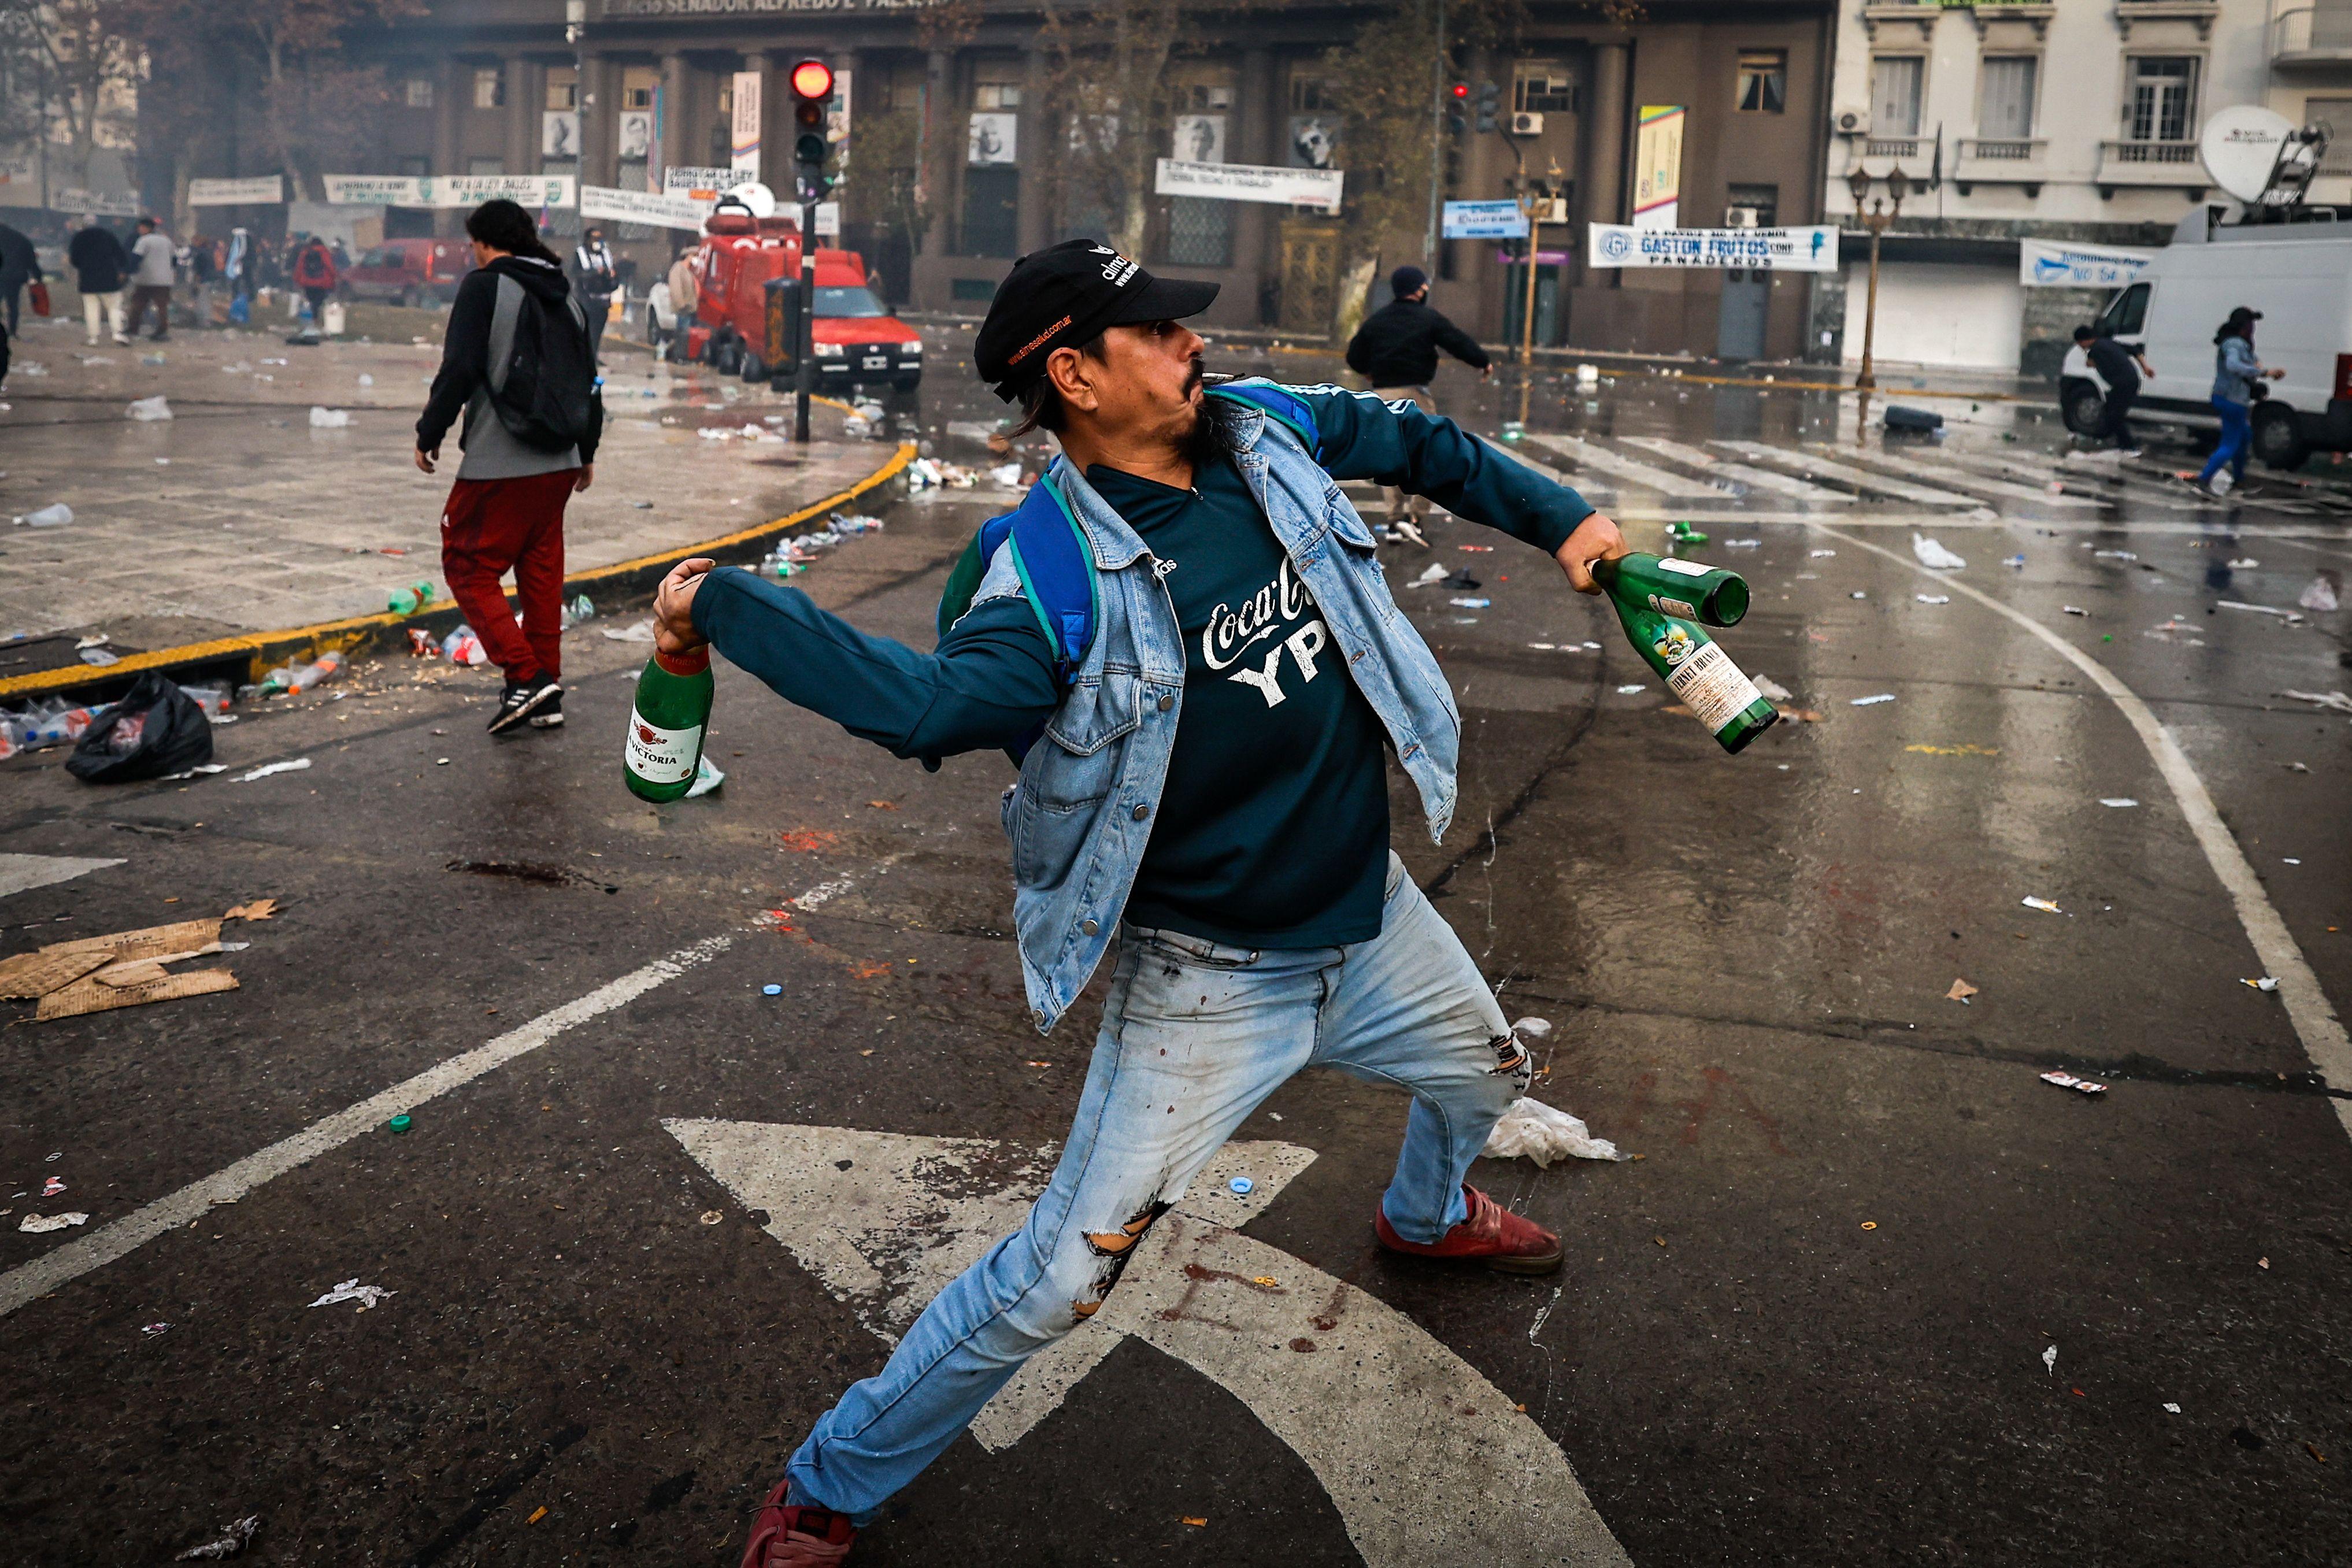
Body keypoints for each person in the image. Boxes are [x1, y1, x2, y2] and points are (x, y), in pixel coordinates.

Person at [649, 238, 1624, 1567]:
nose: (1190, 348)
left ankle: (1427, 1213)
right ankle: (828, 1485)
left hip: (1374, 913)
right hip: (1210, 980)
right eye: (1157, 333)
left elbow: (1419, 445)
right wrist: (724, 601)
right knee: (1057, 1279)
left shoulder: (1257, 428)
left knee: (1483, 1073)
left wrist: (1559, 515)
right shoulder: (1041, 569)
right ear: (1073, 374)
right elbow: (924, 704)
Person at [415, 199, 603, 734]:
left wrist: (430, 432)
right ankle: (547, 692)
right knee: (540, 576)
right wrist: (586, 452)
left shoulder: (485, 287)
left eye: (473, 246)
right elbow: (591, 383)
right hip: (560, 462)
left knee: (468, 565)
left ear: (484, 243)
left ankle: (524, 678)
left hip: (501, 460)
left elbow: (459, 368)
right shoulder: (567, 296)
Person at [1344, 264, 1492, 536]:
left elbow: (1354, 355)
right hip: (1415, 396)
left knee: (1388, 457)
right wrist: (1482, 362)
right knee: (1427, 456)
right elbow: (1457, 342)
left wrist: (1369, 372)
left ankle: (1393, 519)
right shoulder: (1429, 319)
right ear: (1420, 289)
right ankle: (1415, 518)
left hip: (1382, 397)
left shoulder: (1378, 320)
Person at [2196, 306, 2286, 496]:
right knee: (2230, 443)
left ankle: (2239, 479)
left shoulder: (2240, 344)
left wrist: (2261, 367)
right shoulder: (2234, 344)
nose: (2253, 327)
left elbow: (2251, 361)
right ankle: (2204, 479)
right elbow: (2233, 365)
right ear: (2243, 325)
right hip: (2232, 400)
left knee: (2244, 437)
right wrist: (2264, 372)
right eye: (2251, 323)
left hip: (2231, 398)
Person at [2073, 324, 2153, 455]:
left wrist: (2093, 363)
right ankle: (2112, 440)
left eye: (2079, 344)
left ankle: (2129, 447)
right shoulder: (2108, 343)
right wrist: (2145, 367)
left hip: (2124, 384)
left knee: (2114, 415)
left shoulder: (2095, 350)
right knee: (2109, 410)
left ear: (2083, 341)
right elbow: (2134, 350)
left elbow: (2094, 363)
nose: (2081, 347)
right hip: (2131, 380)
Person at [67, 214, 130, 346]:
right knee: (114, 306)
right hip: (108, 277)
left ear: (84, 224)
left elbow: (74, 259)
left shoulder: (79, 237)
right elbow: (120, 255)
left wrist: (84, 267)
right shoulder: (108, 235)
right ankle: (117, 333)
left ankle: (93, 338)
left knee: (91, 308)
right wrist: (122, 269)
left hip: (88, 278)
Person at [571, 225, 619, 364]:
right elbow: (576, 274)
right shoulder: (580, 254)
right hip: (586, 299)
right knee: (587, 330)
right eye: (594, 238)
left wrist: (612, 276)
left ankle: (593, 356)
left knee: (597, 332)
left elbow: (615, 277)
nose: (597, 242)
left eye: (600, 238)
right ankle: (584, 358)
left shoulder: (606, 255)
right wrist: (595, 273)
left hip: (603, 300)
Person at [124, 216, 176, 341]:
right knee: (162, 306)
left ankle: (133, 328)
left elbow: (136, 258)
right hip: (164, 280)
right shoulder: (167, 241)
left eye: (140, 227)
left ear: (146, 228)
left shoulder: (143, 241)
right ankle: (162, 331)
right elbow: (174, 260)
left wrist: (128, 272)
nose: (139, 230)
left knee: (138, 304)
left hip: (146, 279)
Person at [0, 219, 39, 337]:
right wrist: (38, 275)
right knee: (13, 304)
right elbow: (31, 260)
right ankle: (12, 331)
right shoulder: (21, 239)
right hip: (16, 277)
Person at [664, 242, 699, 361]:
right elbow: (676, 289)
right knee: (682, 334)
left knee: (687, 335)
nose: (697, 258)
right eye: (695, 255)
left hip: (691, 309)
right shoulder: (678, 269)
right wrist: (681, 304)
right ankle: (679, 357)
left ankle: (684, 356)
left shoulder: (689, 271)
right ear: (688, 256)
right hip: (684, 309)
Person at [291, 235, 339, 322]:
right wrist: (335, 275)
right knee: (318, 301)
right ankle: (315, 317)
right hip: (321, 282)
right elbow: (329, 266)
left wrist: (297, 279)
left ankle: (311, 317)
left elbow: (300, 267)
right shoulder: (324, 252)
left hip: (307, 282)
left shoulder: (305, 253)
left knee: (311, 300)